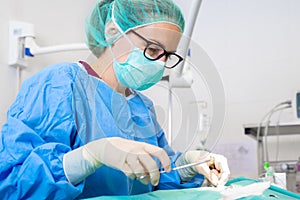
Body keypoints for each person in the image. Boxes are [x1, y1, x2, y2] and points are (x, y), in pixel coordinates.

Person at [0, 0, 230, 199]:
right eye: (152, 50)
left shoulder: (142, 107)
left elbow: (156, 177)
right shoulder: (58, 85)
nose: (160, 63)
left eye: (167, 56)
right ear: (113, 31)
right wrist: (91, 155)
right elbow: (14, 185)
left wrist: (188, 165)